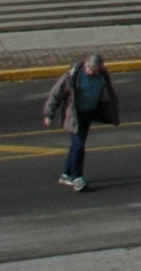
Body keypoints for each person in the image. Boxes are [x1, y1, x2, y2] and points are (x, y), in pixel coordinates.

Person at [41, 52, 119, 192]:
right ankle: (77, 177)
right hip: (74, 116)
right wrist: (49, 114)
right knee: (79, 145)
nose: (92, 73)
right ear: (85, 65)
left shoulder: (101, 75)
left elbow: (109, 93)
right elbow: (56, 94)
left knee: (76, 145)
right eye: (91, 69)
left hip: (88, 114)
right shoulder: (73, 76)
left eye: (96, 70)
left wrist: (112, 111)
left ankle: (66, 174)